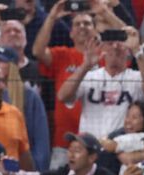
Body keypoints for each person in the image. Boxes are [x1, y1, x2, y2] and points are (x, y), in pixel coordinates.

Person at [59, 26, 144, 141]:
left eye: (121, 43)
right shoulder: (89, 76)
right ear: (103, 49)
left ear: (128, 50)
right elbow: (62, 96)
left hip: (123, 148)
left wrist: (137, 50)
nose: (115, 46)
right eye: (110, 43)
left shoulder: (136, 77)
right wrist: (85, 65)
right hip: (90, 147)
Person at [33, 5, 99, 163]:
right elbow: (38, 52)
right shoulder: (62, 55)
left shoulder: (105, 57)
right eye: (77, 24)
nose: (82, 27)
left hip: (96, 142)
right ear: (70, 33)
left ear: (96, 32)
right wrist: (51, 17)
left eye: (87, 23)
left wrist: (104, 12)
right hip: (64, 142)